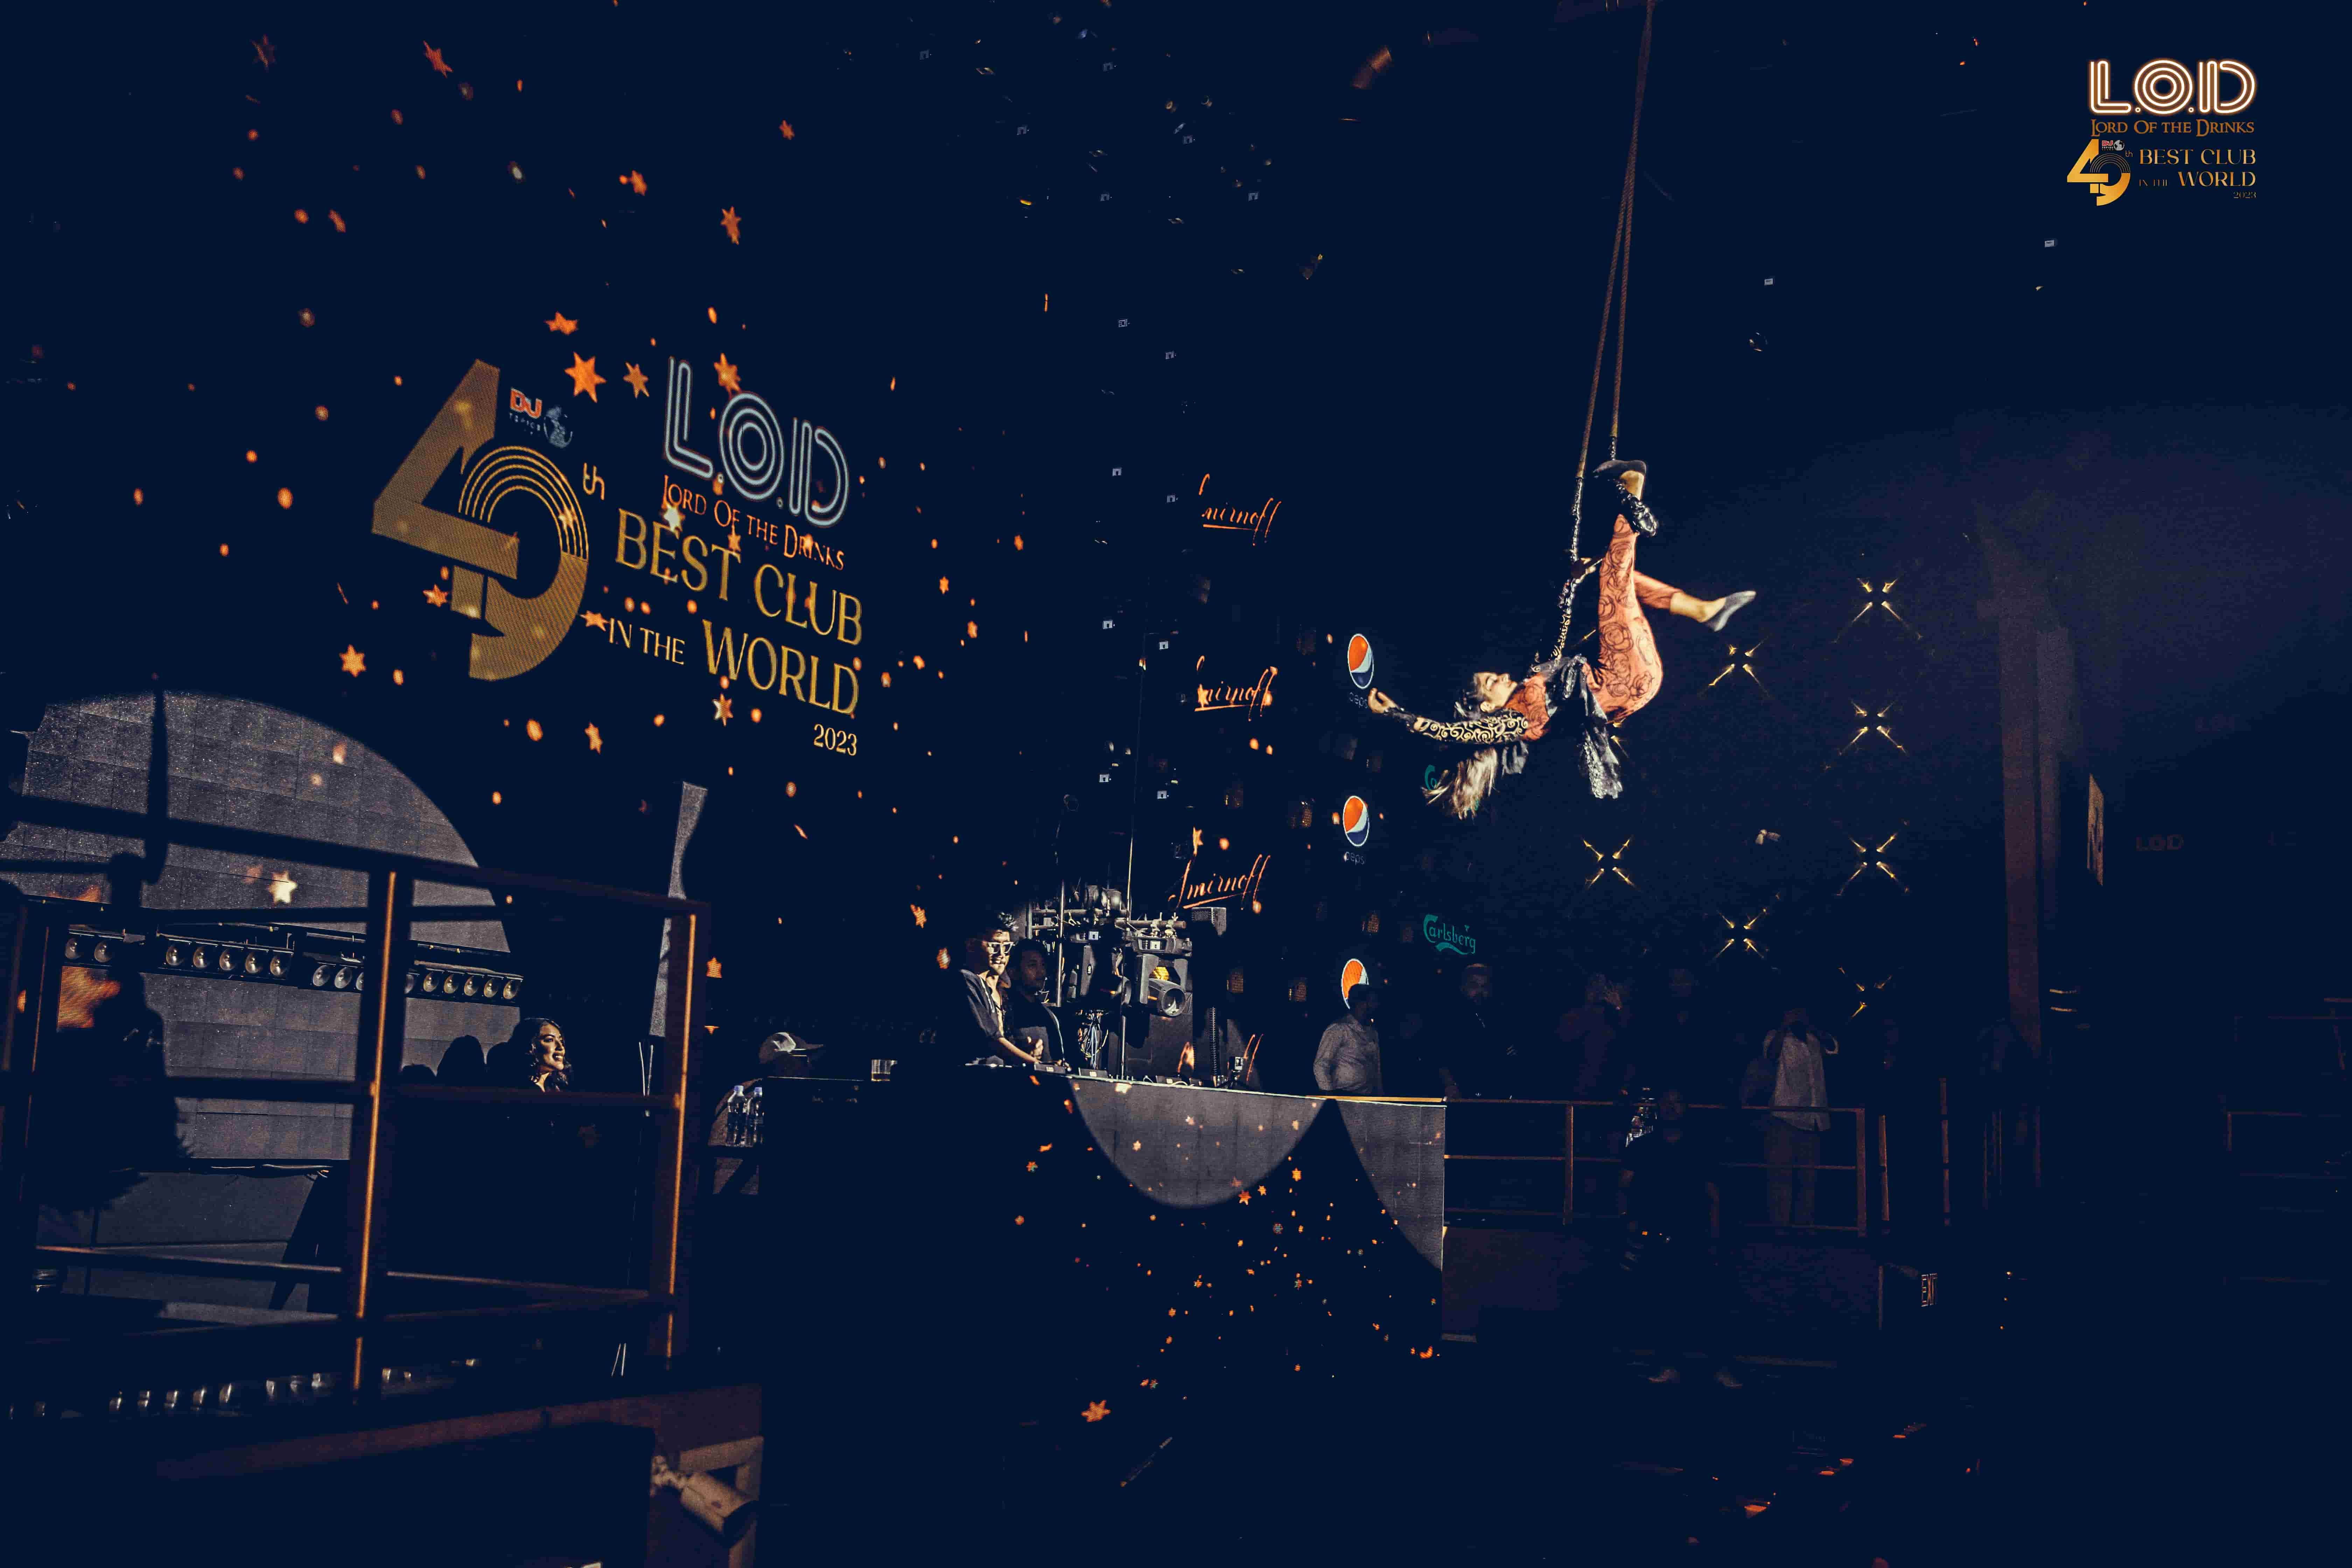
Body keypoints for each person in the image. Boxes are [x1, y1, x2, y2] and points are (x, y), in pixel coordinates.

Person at [1366, 463, 1757, 814]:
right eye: (1491, 683)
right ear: (1486, 707)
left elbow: (1557, 636)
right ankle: (1632, 488)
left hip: (1635, 682)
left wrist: (1570, 586)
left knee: (1608, 573)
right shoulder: (1514, 723)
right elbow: (1455, 733)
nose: (1501, 676)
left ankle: (1703, 610)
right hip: (1623, 676)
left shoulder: (1535, 680)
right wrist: (1398, 716)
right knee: (1614, 576)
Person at [1617, 1086, 1741, 1387]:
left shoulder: (1700, 1147)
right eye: (1667, 1102)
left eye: (1678, 1102)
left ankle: (1719, 1366)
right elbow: (1624, 1187)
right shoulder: (1643, 1147)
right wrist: (1629, 1222)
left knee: (1708, 1305)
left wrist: (1714, 1239)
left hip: (1694, 1234)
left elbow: (1714, 1195)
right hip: (1656, 1235)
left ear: (1687, 1107)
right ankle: (1670, 1364)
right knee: (1664, 1304)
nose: (1672, 1108)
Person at [1742, 1006, 1831, 1230]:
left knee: (1809, 1179)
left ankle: (1805, 1228)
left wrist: (1812, 1028)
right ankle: (1780, 1229)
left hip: (1814, 1118)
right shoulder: (1776, 1036)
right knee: (1781, 1178)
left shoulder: (1815, 1038)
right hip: (1784, 1117)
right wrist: (1784, 1027)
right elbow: (1770, 1056)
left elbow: (1834, 1049)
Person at [932, 914, 1039, 1075]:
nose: (1002, 954)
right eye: (994, 946)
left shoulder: (988, 989)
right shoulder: (963, 980)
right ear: (971, 945)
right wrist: (1038, 1065)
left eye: (1007, 947)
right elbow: (992, 1040)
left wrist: (1023, 1051)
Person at [1435, 961, 1508, 1099]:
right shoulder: (1448, 1017)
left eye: (1484, 987)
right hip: (1461, 1095)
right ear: (1463, 988)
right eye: (1474, 986)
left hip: (1496, 1094)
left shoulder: (1498, 1017)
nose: (1480, 992)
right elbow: (1438, 1055)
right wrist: (1450, 1085)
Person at [1559, 974, 1629, 1101]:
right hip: (1579, 1082)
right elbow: (1566, 1039)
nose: (1600, 990)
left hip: (1606, 1082)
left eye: (1603, 986)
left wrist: (1618, 1007)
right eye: (1595, 985)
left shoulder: (1611, 1014)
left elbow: (1627, 1040)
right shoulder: (1575, 1013)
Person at [1003, 939, 1072, 1068]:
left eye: (1043, 965)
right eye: (1033, 966)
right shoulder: (1004, 1009)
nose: (1042, 973)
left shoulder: (1049, 1016)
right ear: (1013, 972)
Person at [1314, 984, 1384, 1094]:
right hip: (1344, 1095)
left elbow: (1376, 1067)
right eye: (1373, 1002)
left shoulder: (1372, 1032)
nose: (1377, 1006)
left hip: (1367, 1096)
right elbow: (1321, 1064)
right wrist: (1330, 1095)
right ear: (1362, 1004)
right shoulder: (1340, 1029)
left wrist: (1379, 1094)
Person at [490, 1016, 572, 1092]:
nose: (561, 1047)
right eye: (550, 1040)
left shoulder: (556, 1088)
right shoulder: (515, 1090)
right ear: (528, 1046)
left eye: (561, 1041)